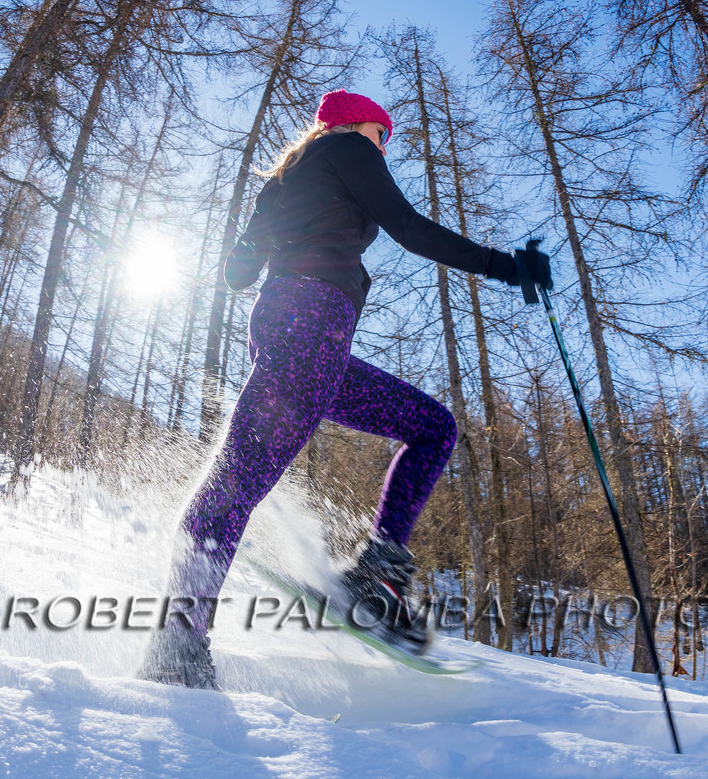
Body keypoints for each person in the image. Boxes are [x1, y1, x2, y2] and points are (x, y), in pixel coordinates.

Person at [141, 89, 550, 689]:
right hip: (308, 334)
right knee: (228, 491)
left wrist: (258, 235)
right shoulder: (348, 146)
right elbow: (407, 226)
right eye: (383, 135)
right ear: (363, 124)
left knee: (432, 427)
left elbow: (237, 274)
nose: (384, 146)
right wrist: (505, 267)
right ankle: (177, 648)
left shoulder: (282, 181)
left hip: (306, 342)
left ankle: (374, 576)